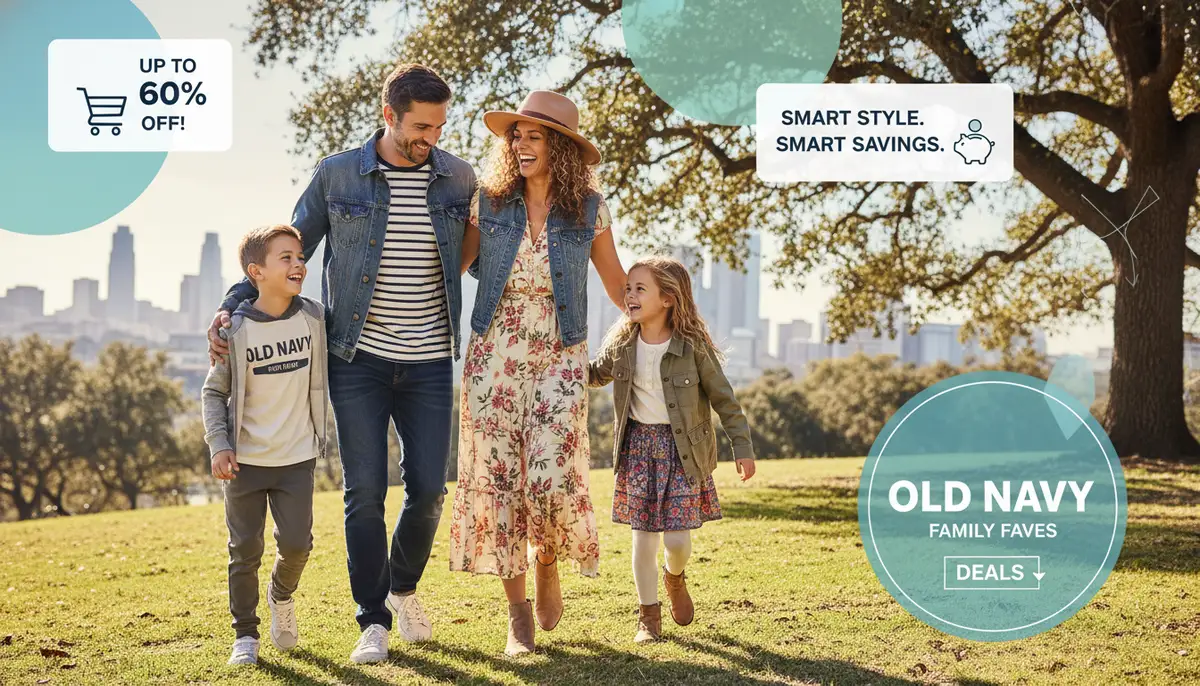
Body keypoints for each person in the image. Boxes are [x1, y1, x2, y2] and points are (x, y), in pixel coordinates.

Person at [207, 64, 476, 664]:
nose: (429, 137)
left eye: (438, 126)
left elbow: (481, 254)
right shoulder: (337, 175)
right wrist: (231, 305)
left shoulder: (459, 178)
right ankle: (373, 619)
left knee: (430, 488)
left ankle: (403, 586)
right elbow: (288, 246)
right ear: (389, 115)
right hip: (356, 356)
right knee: (364, 492)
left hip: (431, 358)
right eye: (418, 126)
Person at [450, 90, 626, 656]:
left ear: (562, 147)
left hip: (558, 355)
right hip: (493, 359)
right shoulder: (490, 203)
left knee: (549, 477)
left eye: (535, 136)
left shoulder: (589, 210)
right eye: (516, 136)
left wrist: (667, 312)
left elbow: (619, 286)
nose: (521, 145)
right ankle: (516, 615)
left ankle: (547, 557)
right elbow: (453, 267)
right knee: (500, 484)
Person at [588, 256, 756, 643]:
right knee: (642, 539)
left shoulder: (692, 348)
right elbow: (593, 374)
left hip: (683, 452)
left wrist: (741, 447)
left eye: (639, 289)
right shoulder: (622, 346)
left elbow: (724, 399)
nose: (629, 295)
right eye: (628, 288)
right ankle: (648, 616)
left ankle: (674, 576)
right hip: (637, 451)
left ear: (667, 299)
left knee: (677, 541)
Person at [202, 224, 328, 665]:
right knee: (244, 551)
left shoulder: (314, 318)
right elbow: (213, 393)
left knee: (297, 544)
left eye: (299, 256)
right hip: (246, 462)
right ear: (256, 271)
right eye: (286, 258)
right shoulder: (234, 331)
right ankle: (245, 635)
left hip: (297, 458)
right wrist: (220, 445)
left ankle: (282, 595)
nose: (299, 264)